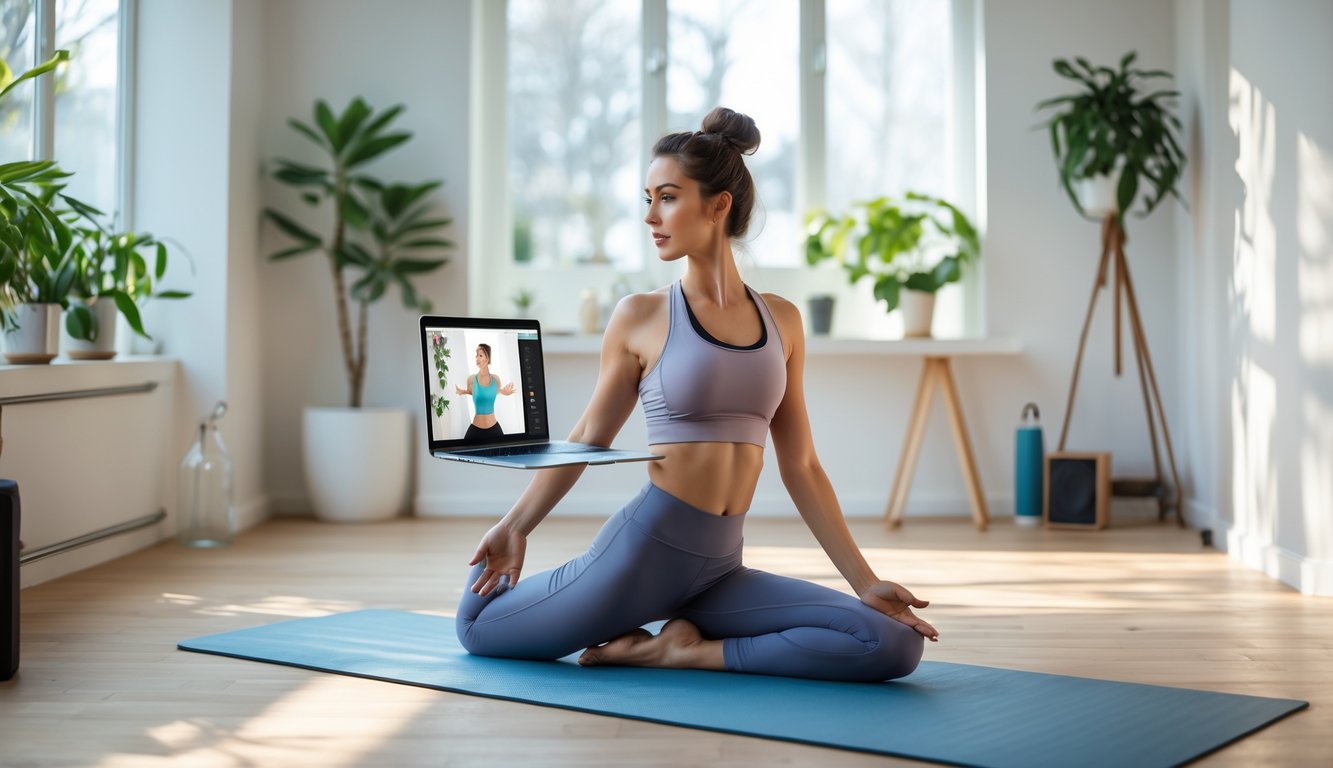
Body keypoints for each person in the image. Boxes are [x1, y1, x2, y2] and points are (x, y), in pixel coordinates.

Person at [456, 107, 937, 682]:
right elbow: (590, 435)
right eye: (647, 198)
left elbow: (802, 465)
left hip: (719, 570)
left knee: (890, 644)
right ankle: (652, 626)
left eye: (666, 198)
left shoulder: (782, 320)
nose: (649, 216)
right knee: (477, 627)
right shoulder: (640, 316)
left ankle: (679, 649)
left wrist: (864, 580)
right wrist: (515, 526)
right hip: (641, 559)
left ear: (718, 206)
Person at [455, 343, 516, 440]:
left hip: (494, 429)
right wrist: (463, 391)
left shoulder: (496, 379)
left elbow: (494, 392)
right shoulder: (471, 380)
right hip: (476, 430)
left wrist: (505, 392)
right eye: (476, 355)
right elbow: (473, 392)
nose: (477, 358)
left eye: (480, 355)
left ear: (487, 358)